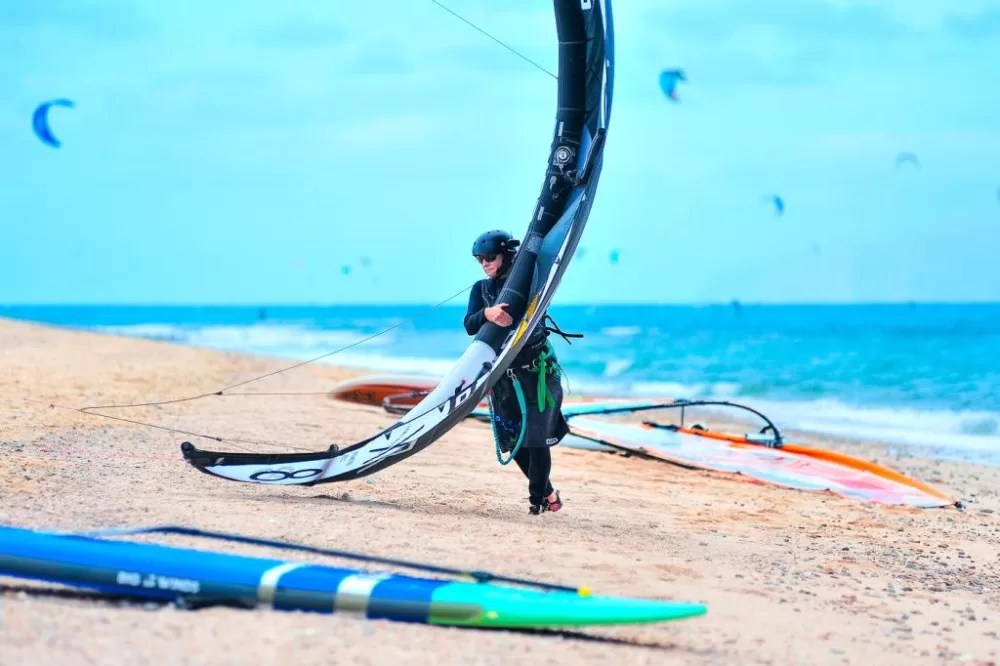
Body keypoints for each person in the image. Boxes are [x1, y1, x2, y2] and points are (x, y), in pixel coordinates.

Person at [464, 229, 569, 515]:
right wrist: (488, 313)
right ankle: (548, 493)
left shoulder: (529, 282)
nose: (485, 263)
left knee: (537, 440)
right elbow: (469, 324)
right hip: (504, 378)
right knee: (516, 442)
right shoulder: (481, 289)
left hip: (539, 373)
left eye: (490, 257)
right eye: (480, 259)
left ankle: (536, 502)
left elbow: (544, 262)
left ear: (507, 255)